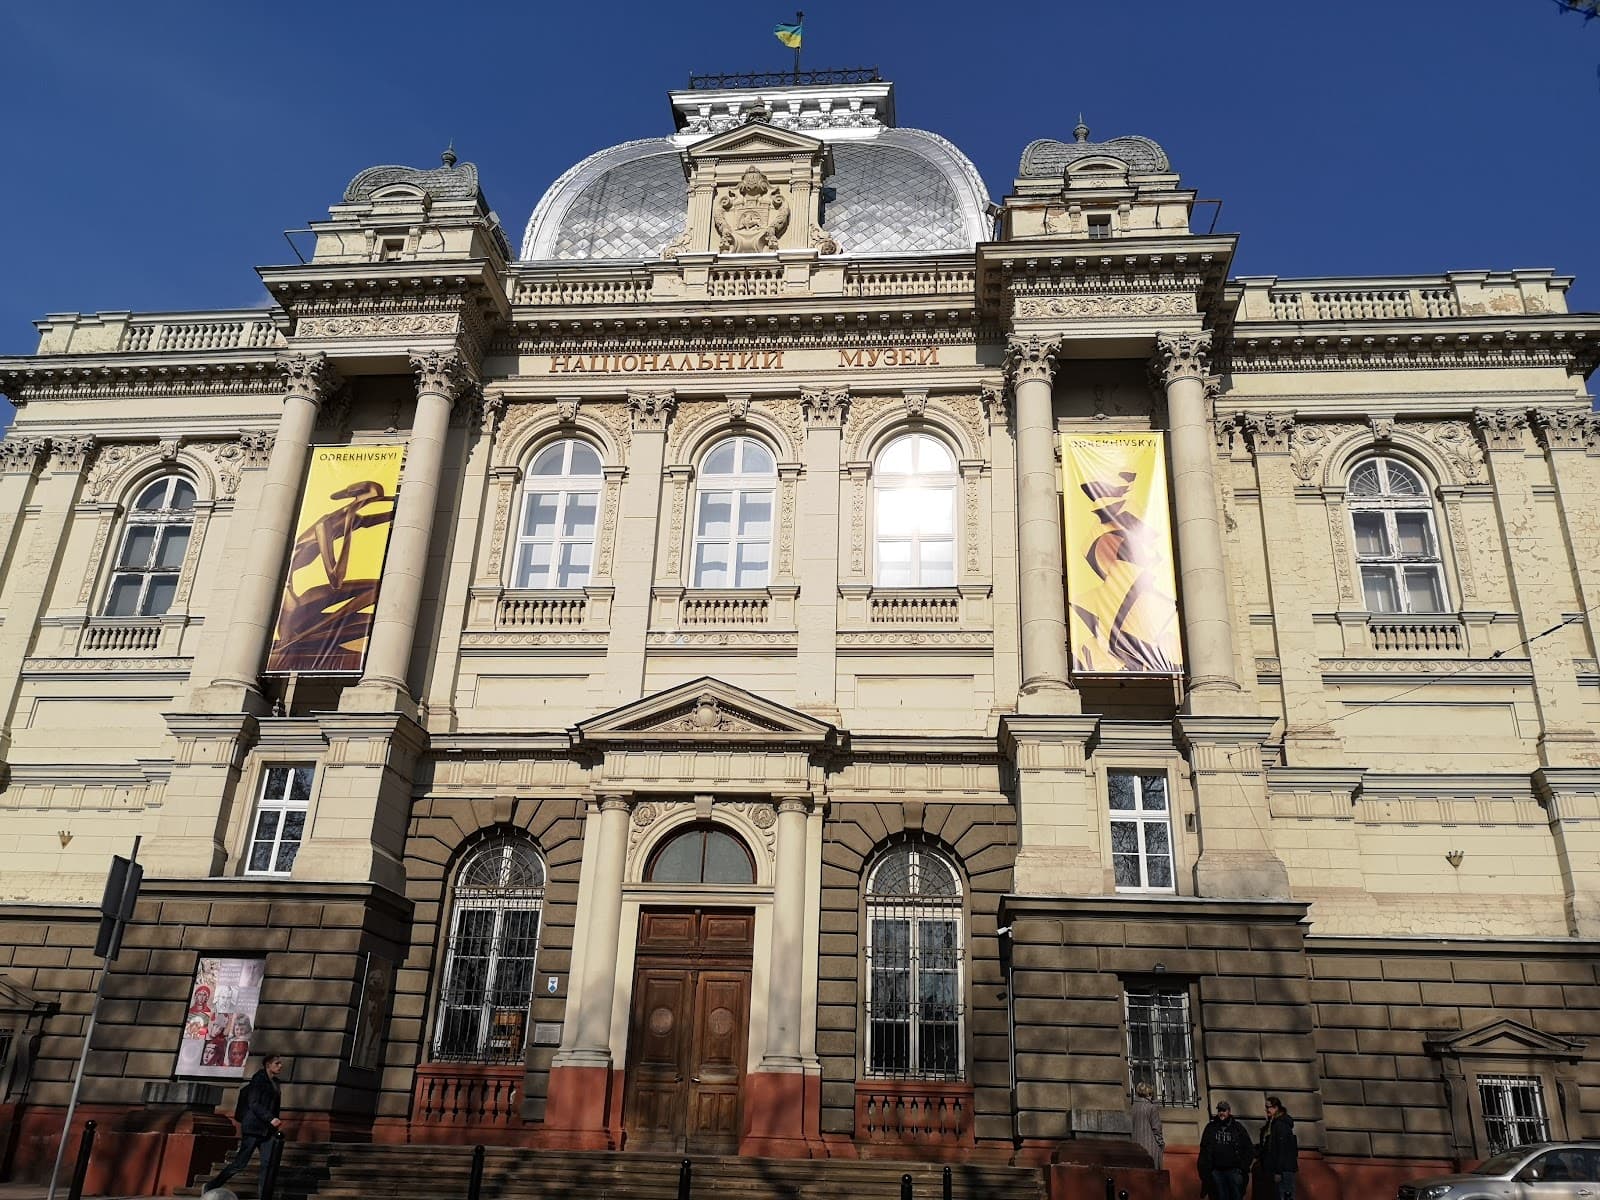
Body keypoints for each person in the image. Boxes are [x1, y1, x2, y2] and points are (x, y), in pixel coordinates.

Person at [206, 1053, 284, 1196]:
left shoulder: (276, 1083)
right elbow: (254, 1103)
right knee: (239, 1164)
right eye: (277, 1063)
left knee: (269, 1165)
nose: (280, 1066)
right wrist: (270, 1118)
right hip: (253, 1128)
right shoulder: (258, 1080)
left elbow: (274, 1106)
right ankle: (211, 1185)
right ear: (268, 1065)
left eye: (280, 1063)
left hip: (268, 1131)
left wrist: (275, 1122)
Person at [1198, 1099, 1254, 1200]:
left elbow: (1248, 1148)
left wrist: (1243, 1167)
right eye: (1219, 1110)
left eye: (1224, 1110)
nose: (1221, 1113)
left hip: (1234, 1171)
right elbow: (1204, 1150)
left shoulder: (1237, 1128)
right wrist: (1204, 1171)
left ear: (1229, 1111)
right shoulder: (1211, 1127)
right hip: (1216, 1171)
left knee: (1236, 1196)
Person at [1259, 1095, 1299, 1199]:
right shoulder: (1273, 1123)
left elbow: (1282, 1150)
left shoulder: (1281, 1125)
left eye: (1268, 1107)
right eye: (1266, 1107)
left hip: (1284, 1170)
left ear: (1276, 1108)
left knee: (1284, 1195)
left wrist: (1278, 1171)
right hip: (1278, 1168)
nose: (1266, 1110)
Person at [1130, 1081, 1165, 1170]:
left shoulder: (1132, 1107)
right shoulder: (1151, 1107)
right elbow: (1157, 1129)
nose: (1151, 1096)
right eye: (1150, 1094)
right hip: (1150, 1149)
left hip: (1135, 1148)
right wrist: (1161, 1145)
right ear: (1148, 1093)